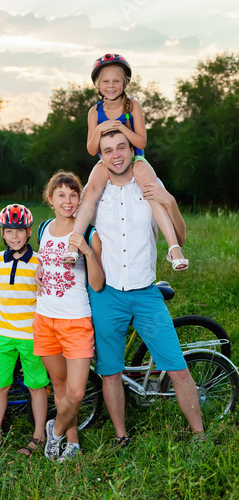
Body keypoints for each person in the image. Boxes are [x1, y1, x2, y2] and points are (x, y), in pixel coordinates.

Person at [87, 129, 204, 446]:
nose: (116, 155)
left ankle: (200, 435)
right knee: (110, 372)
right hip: (107, 296)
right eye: (108, 150)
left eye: (121, 147)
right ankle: (121, 436)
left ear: (130, 151)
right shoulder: (97, 193)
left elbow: (178, 237)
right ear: (102, 158)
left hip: (145, 294)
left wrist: (173, 204)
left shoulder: (148, 183)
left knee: (178, 369)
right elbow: (67, 217)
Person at [63, 53, 188, 272]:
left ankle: (174, 247)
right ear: (97, 84)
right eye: (105, 81)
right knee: (91, 191)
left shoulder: (133, 106)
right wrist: (101, 129)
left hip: (135, 158)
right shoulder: (94, 111)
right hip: (106, 160)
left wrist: (122, 128)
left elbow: (141, 142)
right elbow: (92, 150)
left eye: (116, 81)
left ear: (125, 83)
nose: (111, 86)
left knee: (151, 191)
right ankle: (74, 246)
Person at [33, 170, 104, 462]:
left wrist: (87, 252)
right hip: (44, 319)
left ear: (80, 198)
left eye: (74, 194)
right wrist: (38, 268)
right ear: (50, 199)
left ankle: (56, 430)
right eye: (61, 194)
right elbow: (41, 259)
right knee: (59, 388)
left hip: (76, 322)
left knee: (75, 394)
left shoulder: (89, 232)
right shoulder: (44, 227)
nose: (68, 200)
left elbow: (98, 284)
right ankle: (72, 445)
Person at [0, 204, 49, 455]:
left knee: (36, 385)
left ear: (29, 231)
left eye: (20, 231)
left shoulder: (40, 261)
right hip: (3, 335)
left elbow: (45, 299)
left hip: (31, 335)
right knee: (1, 384)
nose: (15, 236)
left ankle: (39, 434)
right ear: (2, 233)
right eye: (9, 231)